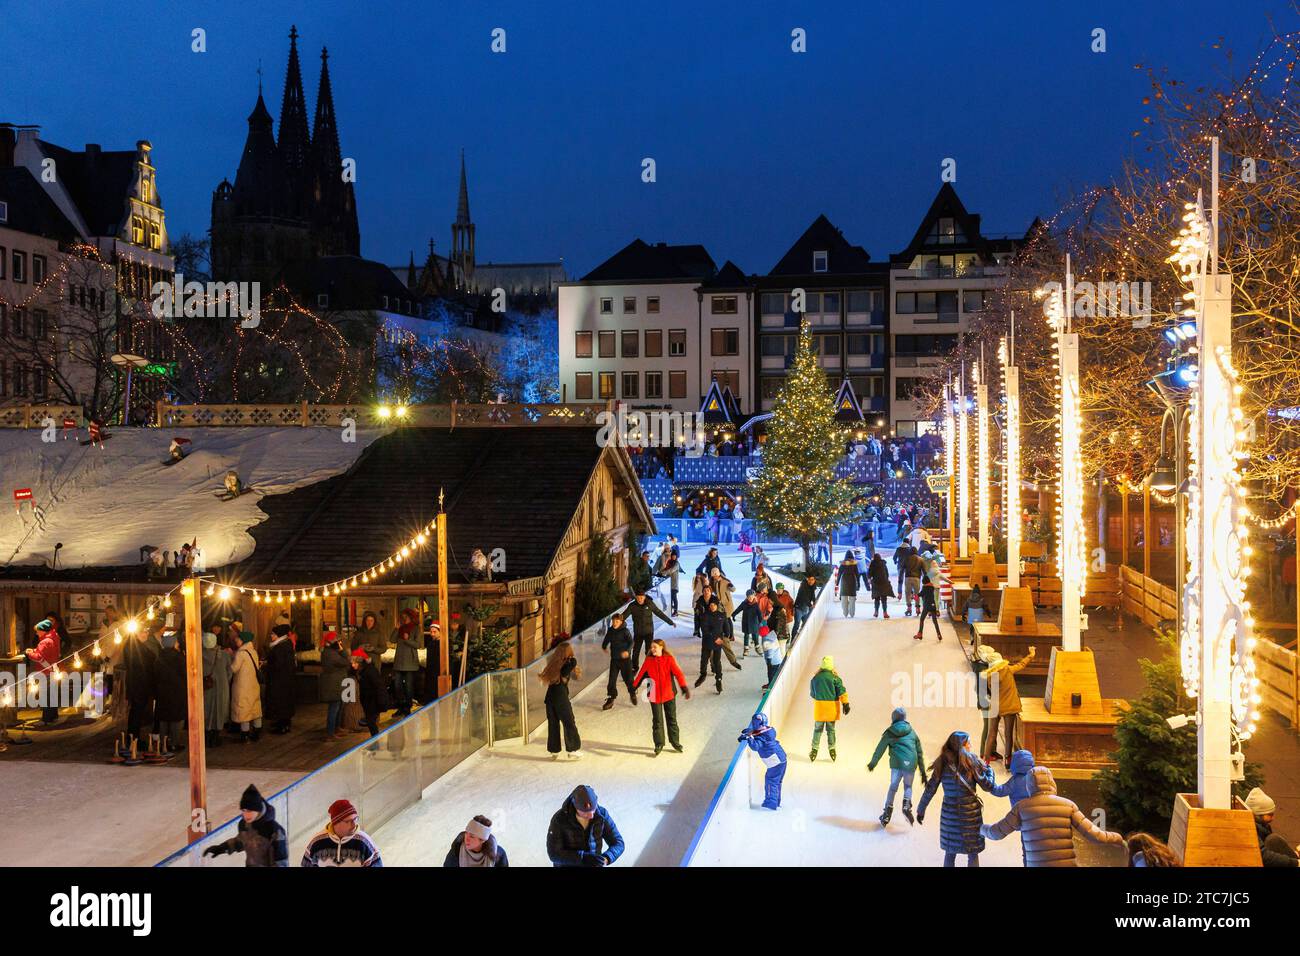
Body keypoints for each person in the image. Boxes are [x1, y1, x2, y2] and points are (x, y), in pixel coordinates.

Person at [981, 766, 1124, 866]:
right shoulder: (1068, 805)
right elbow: (1095, 835)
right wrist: (1118, 839)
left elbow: (996, 833)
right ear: (1052, 782)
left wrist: (980, 828)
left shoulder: (1022, 808)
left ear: (1029, 786)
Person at [917, 730, 995, 867]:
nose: (970, 746)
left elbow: (930, 788)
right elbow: (987, 786)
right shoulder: (972, 761)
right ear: (962, 746)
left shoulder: (942, 762)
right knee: (972, 853)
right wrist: (990, 772)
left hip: (950, 815)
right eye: (968, 743)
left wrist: (921, 809)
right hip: (970, 816)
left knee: (950, 852)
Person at [867, 706, 927, 827]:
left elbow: (880, 749)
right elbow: (919, 752)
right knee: (908, 786)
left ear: (893, 719)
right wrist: (923, 772)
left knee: (893, 787)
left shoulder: (890, 732)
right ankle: (906, 805)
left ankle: (887, 813)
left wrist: (873, 763)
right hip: (910, 763)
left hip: (897, 764)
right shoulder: (912, 732)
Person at [202, 784, 288, 867]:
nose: (246, 815)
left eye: (250, 811)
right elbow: (240, 842)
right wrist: (221, 848)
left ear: (258, 810)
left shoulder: (274, 830)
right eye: (243, 810)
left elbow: (280, 861)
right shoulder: (244, 824)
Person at [632, 637, 691, 755]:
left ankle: (675, 742)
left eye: (655, 647)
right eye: (651, 647)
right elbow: (640, 676)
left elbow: (678, 673)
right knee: (657, 721)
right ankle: (659, 743)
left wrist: (684, 687)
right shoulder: (648, 661)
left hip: (668, 693)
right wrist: (633, 689)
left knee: (672, 719)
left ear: (661, 647)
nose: (652, 649)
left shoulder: (668, 659)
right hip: (654, 695)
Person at [978, 646, 1035, 762]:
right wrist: (1031, 655)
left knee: (991, 734)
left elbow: (990, 691)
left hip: (995, 707)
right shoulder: (1008, 670)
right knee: (1008, 734)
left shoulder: (989, 676)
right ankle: (1008, 760)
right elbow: (1021, 664)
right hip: (1009, 706)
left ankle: (986, 761)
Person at [547, 785, 625, 867]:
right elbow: (554, 853)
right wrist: (583, 857)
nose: (591, 815)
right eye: (585, 812)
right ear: (575, 806)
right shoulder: (559, 819)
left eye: (593, 809)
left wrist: (606, 858)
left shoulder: (602, 814)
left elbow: (618, 843)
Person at [300, 798, 383, 866]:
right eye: (348, 821)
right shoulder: (316, 842)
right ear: (336, 823)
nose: (354, 825)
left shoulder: (365, 842)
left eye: (355, 819)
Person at [539, 640, 582, 759]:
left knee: (553, 724)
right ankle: (572, 750)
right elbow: (565, 671)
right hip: (560, 698)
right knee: (569, 722)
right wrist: (573, 660)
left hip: (549, 699)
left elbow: (569, 675)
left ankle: (554, 751)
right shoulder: (568, 663)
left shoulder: (554, 663)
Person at [619, 588, 675, 672]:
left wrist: (670, 622)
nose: (640, 599)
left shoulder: (649, 604)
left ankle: (649, 667)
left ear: (644, 597)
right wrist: (616, 622)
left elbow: (659, 613)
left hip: (648, 632)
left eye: (641, 597)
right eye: (638, 598)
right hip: (638, 633)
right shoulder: (632, 606)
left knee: (648, 651)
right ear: (636, 597)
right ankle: (635, 667)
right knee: (635, 652)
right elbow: (623, 616)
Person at [739, 711, 787, 810]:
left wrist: (749, 738)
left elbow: (755, 746)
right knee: (777, 781)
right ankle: (776, 801)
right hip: (781, 759)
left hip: (775, 761)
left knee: (771, 780)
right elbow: (758, 732)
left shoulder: (762, 737)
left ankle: (771, 803)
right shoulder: (768, 730)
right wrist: (750, 732)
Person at [122, 624, 160, 743]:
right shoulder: (134, 648)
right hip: (138, 684)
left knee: (137, 711)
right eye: (144, 632)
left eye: (147, 632)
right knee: (136, 712)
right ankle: (133, 738)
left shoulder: (136, 646)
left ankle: (134, 737)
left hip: (139, 683)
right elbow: (141, 665)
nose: (146, 634)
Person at [1244, 787, 1300, 867]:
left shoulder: (1262, 827)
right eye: (1269, 815)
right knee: (1273, 840)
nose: (1272, 818)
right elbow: (1264, 856)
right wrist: (1295, 863)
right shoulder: (1250, 830)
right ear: (1257, 815)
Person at [809, 655, 850, 762]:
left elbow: (812, 694)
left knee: (818, 729)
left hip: (820, 709)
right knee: (831, 730)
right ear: (831, 666)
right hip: (831, 709)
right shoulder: (835, 678)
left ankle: (814, 749)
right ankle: (832, 749)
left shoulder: (815, 678)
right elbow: (842, 691)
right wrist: (845, 703)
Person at [152, 631, 187, 752]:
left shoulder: (159, 657)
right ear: (173, 644)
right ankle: (174, 743)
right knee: (176, 719)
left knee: (163, 718)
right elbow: (185, 674)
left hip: (162, 692)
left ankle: (163, 743)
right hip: (177, 692)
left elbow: (155, 674)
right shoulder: (179, 658)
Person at [25, 619, 61, 725]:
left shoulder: (45, 642)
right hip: (53, 669)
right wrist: (34, 650)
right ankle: (53, 716)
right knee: (52, 695)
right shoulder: (55, 637)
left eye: (38, 631)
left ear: (43, 630)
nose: (36, 633)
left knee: (46, 696)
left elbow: (39, 657)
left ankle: (46, 719)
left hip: (45, 671)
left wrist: (29, 654)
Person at [229, 630, 263, 742]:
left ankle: (245, 734)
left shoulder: (241, 653)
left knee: (244, 709)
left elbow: (234, 668)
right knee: (254, 707)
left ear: (242, 640)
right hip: (253, 685)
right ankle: (257, 731)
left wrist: (230, 657)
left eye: (237, 639)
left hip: (242, 686)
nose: (236, 641)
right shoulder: (253, 651)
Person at [600, 612, 637, 710]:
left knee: (628, 679)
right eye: (613, 621)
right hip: (615, 660)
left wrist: (627, 651)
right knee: (611, 680)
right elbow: (606, 639)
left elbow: (631, 642)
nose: (615, 623)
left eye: (617, 621)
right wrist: (604, 646)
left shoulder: (625, 631)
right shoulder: (611, 630)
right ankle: (611, 698)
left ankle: (632, 693)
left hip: (625, 660)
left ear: (621, 622)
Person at [264, 623, 296, 734]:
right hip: (285, 680)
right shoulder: (286, 644)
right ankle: (284, 723)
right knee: (285, 703)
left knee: (280, 702)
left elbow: (278, 665)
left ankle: (282, 726)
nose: (271, 636)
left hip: (279, 681)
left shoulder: (280, 647)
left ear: (279, 635)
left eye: (273, 634)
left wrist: (267, 665)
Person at [201, 631, 231, 749]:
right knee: (219, 710)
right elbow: (229, 671)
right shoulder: (224, 655)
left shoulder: (199, 655)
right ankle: (216, 736)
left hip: (205, 687)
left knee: (206, 710)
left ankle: (207, 736)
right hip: (221, 688)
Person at [390, 607, 422, 717]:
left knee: (408, 686)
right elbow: (392, 640)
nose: (403, 618)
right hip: (399, 661)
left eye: (405, 616)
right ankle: (400, 707)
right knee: (397, 686)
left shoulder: (416, 629)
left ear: (410, 617)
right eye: (402, 617)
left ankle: (407, 708)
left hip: (410, 662)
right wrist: (396, 628)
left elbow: (418, 645)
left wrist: (407, 640)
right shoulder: (400, 628)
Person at [319, 631, 350, 741]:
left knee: (338, 706)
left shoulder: (330, 652)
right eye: (338, 641)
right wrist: (342, 651)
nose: (340, 643)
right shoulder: (331, 654)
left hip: (336, 683)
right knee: (334, 708)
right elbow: (347, 661)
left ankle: (336, 728)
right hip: (333, 684)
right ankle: (330, 733)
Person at [443, 815, 509, 867]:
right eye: (466, 833)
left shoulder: (498, 854)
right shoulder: (457, 851)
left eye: (472, 836)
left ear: (482, 840)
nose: (466, 838)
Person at [695, 598, 728, 693]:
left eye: (714, 605)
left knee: (717, 661)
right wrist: (715, 638)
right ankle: (703, 675)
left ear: (717, 605)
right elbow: (705, 629)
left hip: (718, 641)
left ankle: (719, 680)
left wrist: (727, 635)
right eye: (711, 605)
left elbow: (726, 626)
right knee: (704, 659)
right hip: (708, 641)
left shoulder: (722, 615)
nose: (712, 606)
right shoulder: (705, 616)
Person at [351, 648, 386, 737]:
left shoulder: (370, 671)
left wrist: (381, 702)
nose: (352, 665)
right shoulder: (361, 670)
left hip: (373, 700)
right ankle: (375, 742)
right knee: (371, 723)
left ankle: (375, 743)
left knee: (371, 723)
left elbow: (379, 686)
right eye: (352, 663)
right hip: (367, 700)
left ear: (361, 662)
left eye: (355, 663)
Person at [732, 590, 764, 657]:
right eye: (749, 597)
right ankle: (746, 649)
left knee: (755, 636)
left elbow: (759, 614)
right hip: (746, 622)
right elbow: (738, 609)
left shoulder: (756, 605)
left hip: (754, 623)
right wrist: (733, 614)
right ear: (746, 597)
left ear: (754, 596)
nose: (750, 598)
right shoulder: (744, 603)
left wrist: (761, 621)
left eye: (751, 597)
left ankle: (757, 648)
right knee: (746, 636)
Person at [833, 550, 863, 618]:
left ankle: (845, 613)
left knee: (844, 598)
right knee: (852, 598)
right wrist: (858, 583)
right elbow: (857, 574)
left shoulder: (843, 563)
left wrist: (837, 583)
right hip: (852, 581)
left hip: (844, 581)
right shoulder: (854, 564)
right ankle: (852, 613)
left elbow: (839, 574)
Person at [914, 575, 942, 641]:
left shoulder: (924, 588)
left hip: (927, 606)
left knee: (922, 619)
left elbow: (920, 594)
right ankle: (939, 634)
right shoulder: (932, 587)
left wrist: (915, 596)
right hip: (933, 605)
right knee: (935, 621)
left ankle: (920, 634)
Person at [420, 620, 442, 704]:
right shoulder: (430, 643)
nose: (432, 634)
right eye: (431, 632)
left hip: (438, 672)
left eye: (435, 632)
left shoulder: (444, 643)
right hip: (430, 672)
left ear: (440, 632)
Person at [893, 540, 917, 615]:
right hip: (908, 567)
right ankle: (912, 594)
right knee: (908, 582)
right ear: (908, 542)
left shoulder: (898, 549)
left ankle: (899, 594)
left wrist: (896, 562)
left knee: (900, 580)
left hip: (900, 566)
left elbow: (894, 558)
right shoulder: (909, 549)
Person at [792, 571, 818, 638]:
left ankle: (804, 638)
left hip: (806, 609)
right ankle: (793, 639)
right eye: (810, 579)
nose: (811, 581)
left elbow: (812, 595)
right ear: (807, 579)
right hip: (799, 608)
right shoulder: (803, 585)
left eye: (812, 580)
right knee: (797, 624)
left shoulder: (813, 586)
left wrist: (814, 601)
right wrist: (810, 605)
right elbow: (804, 596)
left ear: (814, 580)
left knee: (805, 625)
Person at [867, 552, 893, 618]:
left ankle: (876, 612)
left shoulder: (873, 564)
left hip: (876, 583)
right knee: (884, 599)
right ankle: (885, 612)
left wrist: (869, 579)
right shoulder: (883, 564)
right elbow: (887, 573)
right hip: (884, 583)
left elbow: (869, 573)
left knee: (877, 598)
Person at [658, 546, 682, 616]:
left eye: (675, 556)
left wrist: (662, 573)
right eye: (673, 556)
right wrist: (661, 572)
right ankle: (670, 610)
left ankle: (676, 611)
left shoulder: (677, 563)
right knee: (670, 598)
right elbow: (666, 569)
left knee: (674, 597)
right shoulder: (669, 562)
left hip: (674, 583)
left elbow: (671, 570)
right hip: (669, 584)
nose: (674, 557)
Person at [760, 625, 784, 690]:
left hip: (773, 662)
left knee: (771, 675)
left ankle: (770, 689)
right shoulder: (771, 636)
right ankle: (770, 684)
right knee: (771, 674)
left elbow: (770, 652)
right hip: (777, 659)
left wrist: (769, 662)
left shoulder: (767, 641)